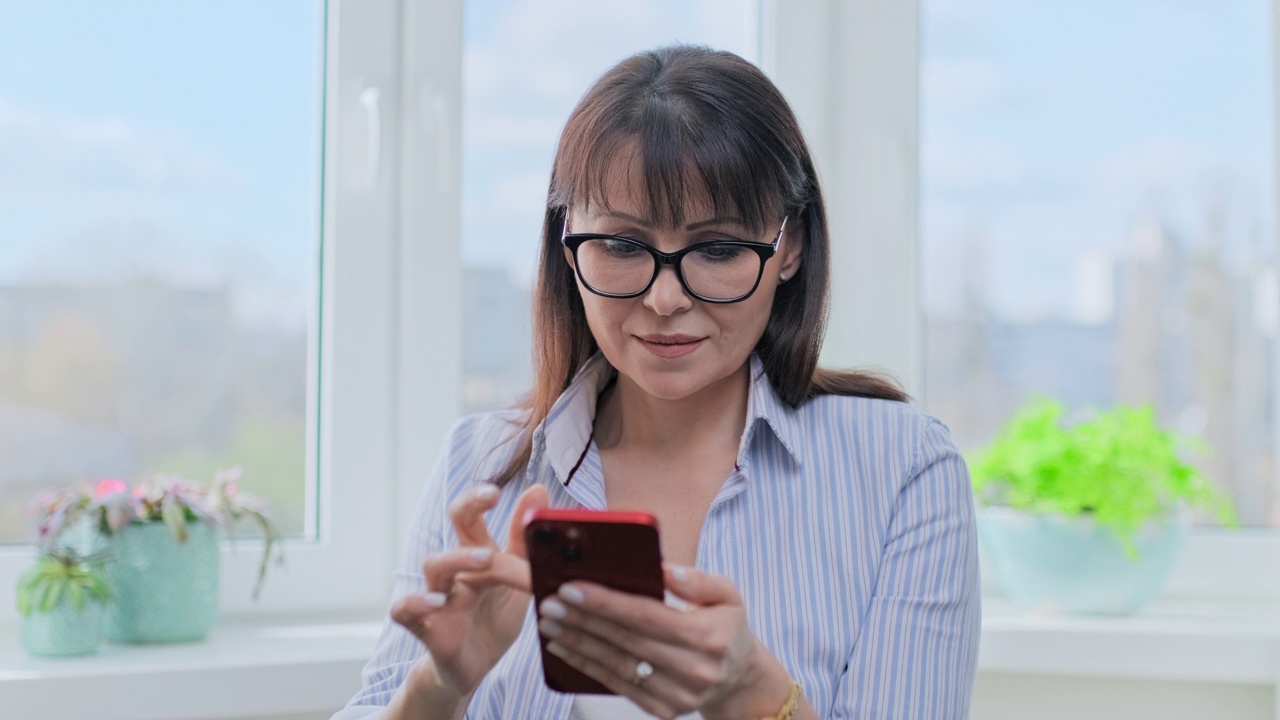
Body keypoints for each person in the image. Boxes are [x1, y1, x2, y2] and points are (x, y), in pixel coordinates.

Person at [334, 45, 980, 720]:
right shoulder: (480, 465)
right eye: (621, 246)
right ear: (567, 241)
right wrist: (439, 689)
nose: (666, 298)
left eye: (720, 249)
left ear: (790, 247)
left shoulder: (903, 469)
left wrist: (755, 698)